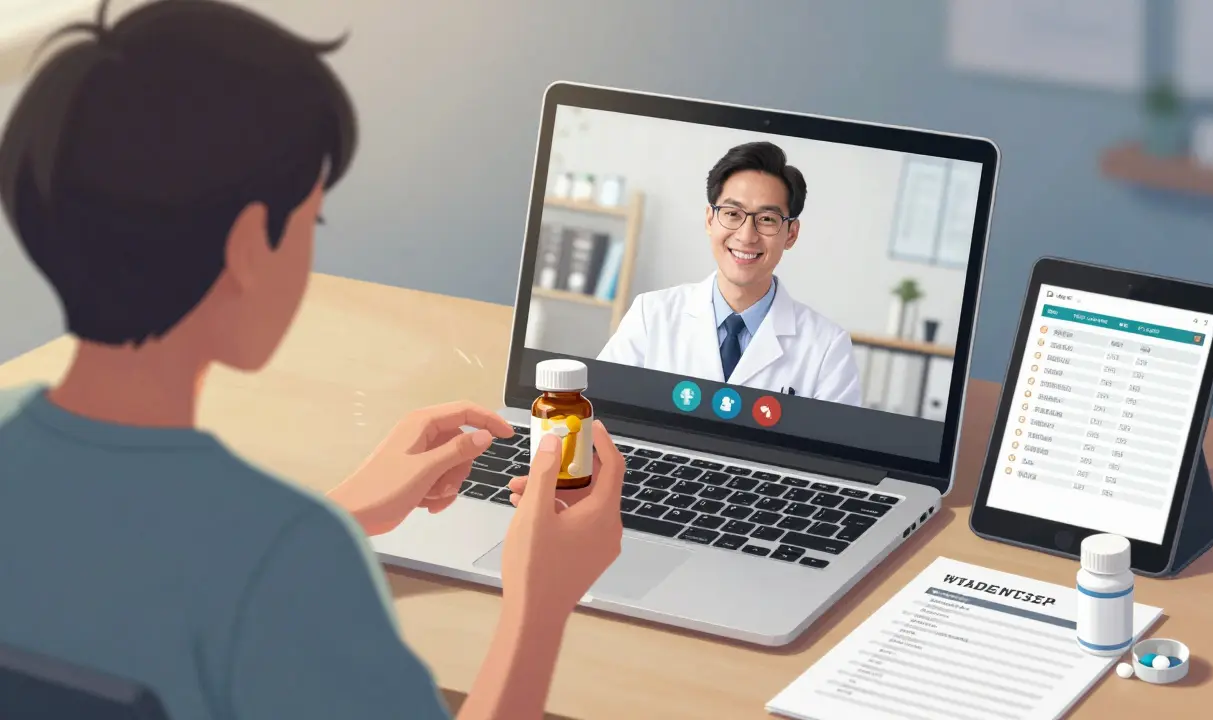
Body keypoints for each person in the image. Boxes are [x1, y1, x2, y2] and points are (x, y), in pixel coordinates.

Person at [0, 2, 624, 718]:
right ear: (246, 248)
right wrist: (540, 604)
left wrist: (342, 509)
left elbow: (133, 567)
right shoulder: (298, 564)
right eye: (308, 222)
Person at [596, 141, 862, 406]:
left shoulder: (828, 347)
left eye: (767, 219)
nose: (747, 236)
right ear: (710, 220)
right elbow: (599, 411)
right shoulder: (650, 314)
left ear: (791, 234)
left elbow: (834, 446)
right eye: (733, 214)